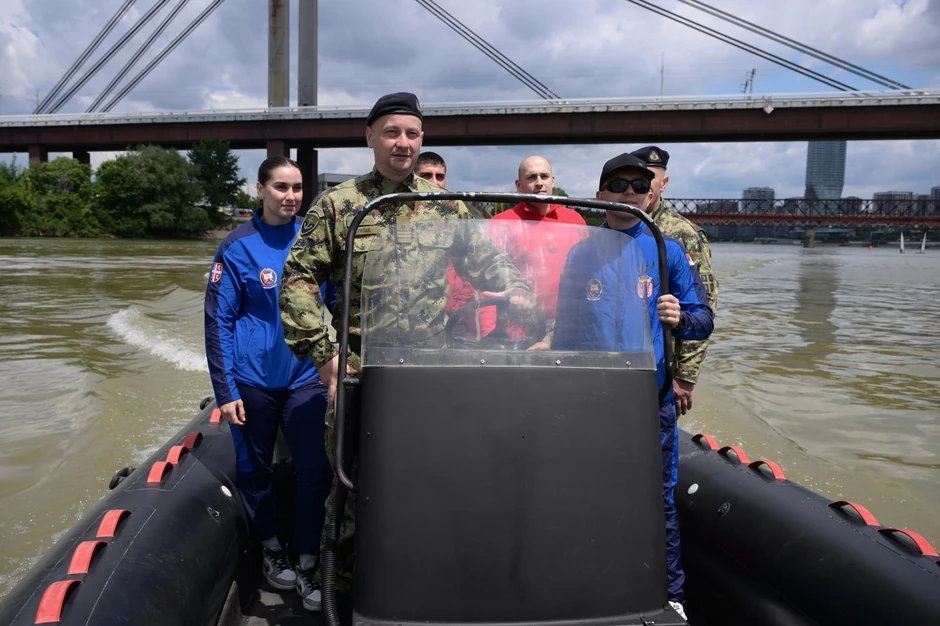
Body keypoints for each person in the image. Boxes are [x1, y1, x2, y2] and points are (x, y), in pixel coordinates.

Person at [278, 92, 532, 600]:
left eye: (412, 134)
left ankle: (415, 584)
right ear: (369, 137)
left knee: (427, 478)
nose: (403, 143)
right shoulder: (339, 205)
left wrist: (520, 291)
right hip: (360, 372)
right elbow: (297, 282)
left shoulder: (446, 205)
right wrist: (327, 358)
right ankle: (340, 593)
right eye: (392, 132)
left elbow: (488, 263)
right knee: (352, 488)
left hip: (426, 373)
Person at [552, 153, 714, 619]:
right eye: (619, 185)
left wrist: (680, 317)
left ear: (650, 195)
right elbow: (565, 328)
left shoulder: (668, 250)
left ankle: (671, 595)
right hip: (591, 399)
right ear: (600, 194)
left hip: (648, 400)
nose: (628, 193)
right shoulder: (581, 252)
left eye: (638, 186)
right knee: (586, 491)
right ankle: (587, 580)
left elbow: (703, 319)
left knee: (658, 499)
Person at [204, 156, 335, 612]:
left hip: (306, 376)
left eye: (297, 187)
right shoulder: (236, 247)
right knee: (254, 470)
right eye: (281, 187)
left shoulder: (314, 240)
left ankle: (307, 559)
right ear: (260, 190)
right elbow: (218, 322)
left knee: (316, 470)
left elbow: (337, 303)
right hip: (252, 380)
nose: (291, 196)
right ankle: (272, 548)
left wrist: (338, 364)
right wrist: (225, 391)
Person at [630, 146, 719, 417]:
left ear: (664, 183)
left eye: (649, 178)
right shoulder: (614, 228)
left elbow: (704, 305)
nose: (639, 186)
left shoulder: (683, 234)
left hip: (664, 365)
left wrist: (685, 376)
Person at [479, 155, 587, 347]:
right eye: (531, 177)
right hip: (517, 329)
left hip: (566, 327)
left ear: (552, 181)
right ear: (518, 185)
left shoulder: (575, 220)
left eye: (544, 176)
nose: (539, 183)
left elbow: (587, 276)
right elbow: (488, 283)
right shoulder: (501, 223)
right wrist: (489, 332)